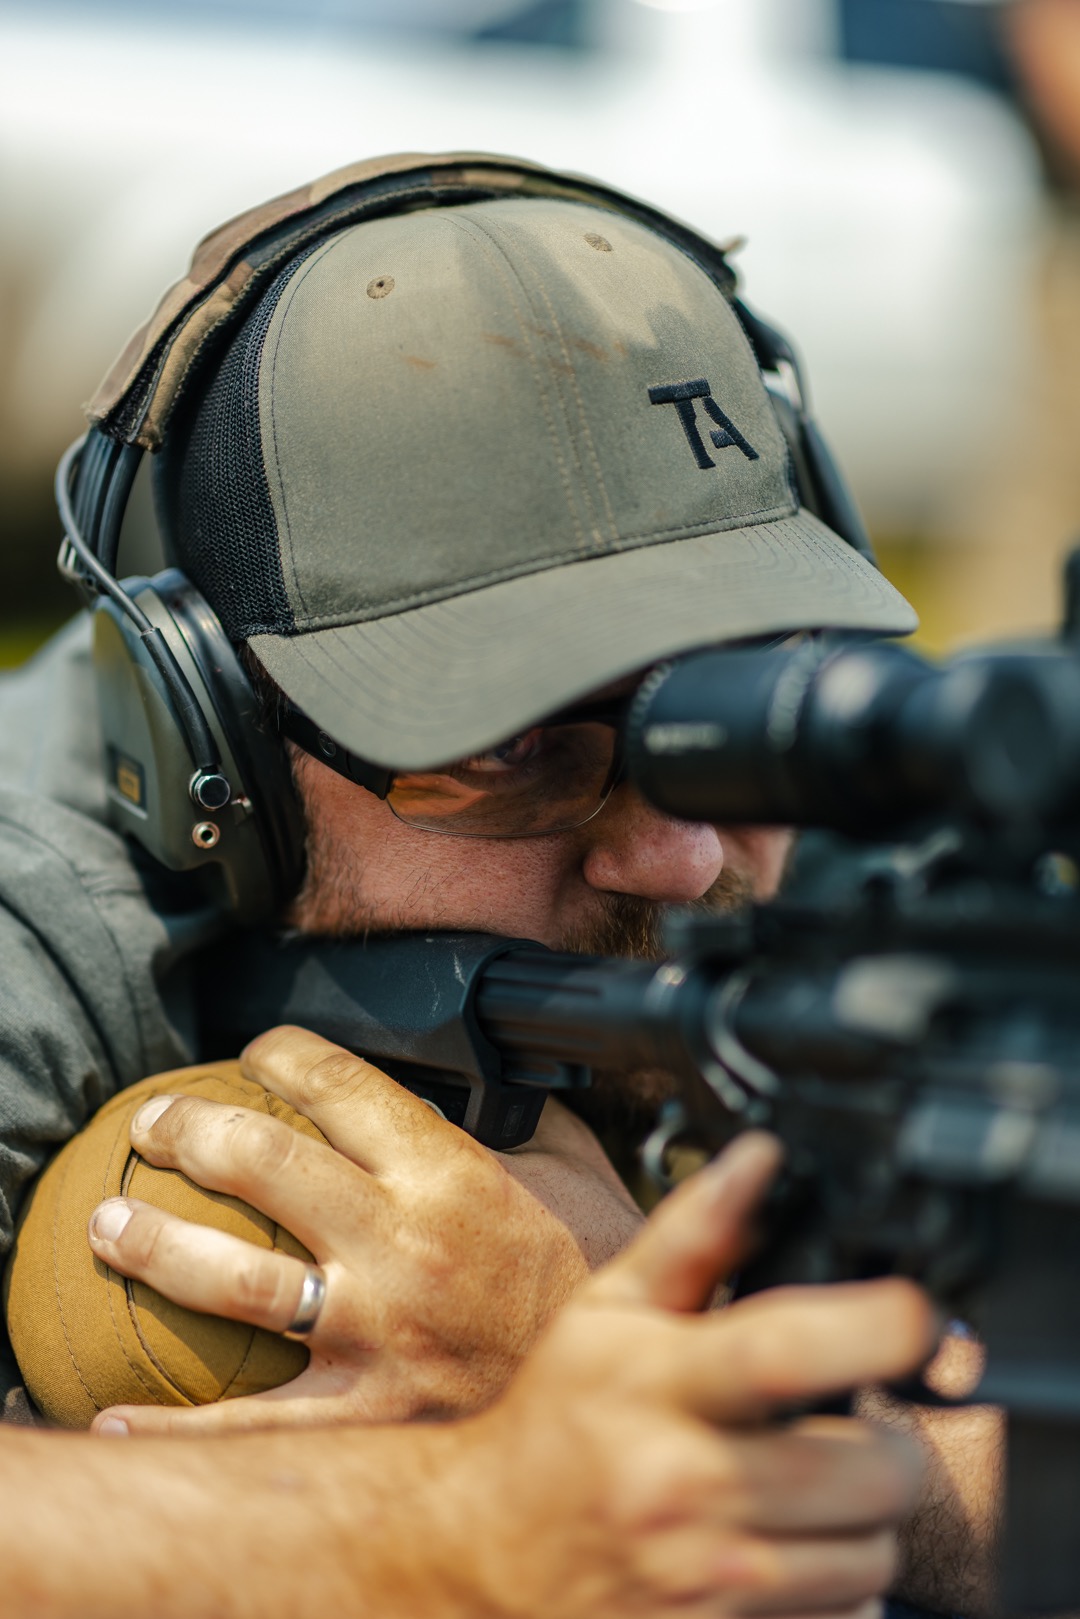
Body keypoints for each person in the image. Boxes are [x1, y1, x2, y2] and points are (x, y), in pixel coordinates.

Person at [0, 152, 989, 1613]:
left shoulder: (873, 840)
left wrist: (656, 1365)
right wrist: (475, 1515)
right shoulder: (35, 918)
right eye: (516, 750)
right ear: (213, 736)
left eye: (728, 711)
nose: (683, 854)